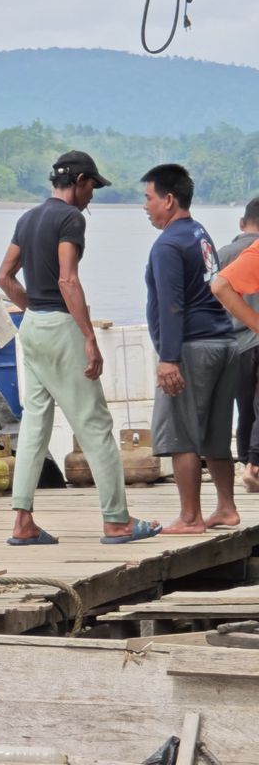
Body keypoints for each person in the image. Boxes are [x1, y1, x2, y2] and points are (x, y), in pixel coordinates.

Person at [0, 150, 161, 546]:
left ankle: (22, 522)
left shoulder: (29, 217)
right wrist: (88, 336)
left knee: (35, 424)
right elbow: (68, 280)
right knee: (96, 424)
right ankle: (117, 522)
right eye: (92, 187)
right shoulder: (70, 219)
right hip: (60, 327)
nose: (92, 197)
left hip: (32, 328)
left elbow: (4, 277)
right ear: (80, 180)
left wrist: (32, 308)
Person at [142, 163, 240, 533]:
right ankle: (226, 508)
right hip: (223, 341)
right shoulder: (199, 233)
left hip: (193, 347)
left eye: (149, 198)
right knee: (216, 432)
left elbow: (172, 304)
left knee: (182, 431)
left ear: (169, 199)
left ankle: (190, 517)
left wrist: (168, 359)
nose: (145, 206)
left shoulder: (167, 244)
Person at [210, 197, 259, 492]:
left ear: (242, 222)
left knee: (246, 407)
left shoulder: (225, 253)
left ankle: (248, 462)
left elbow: (215, 289)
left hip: (238, 341)